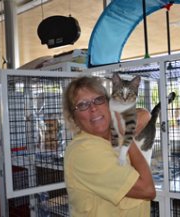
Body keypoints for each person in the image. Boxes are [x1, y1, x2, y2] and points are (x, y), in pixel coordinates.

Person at [63, 76, 156, 217]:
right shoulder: (84, 151)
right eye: (82, 105)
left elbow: (144, 115)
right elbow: (147, 190)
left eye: (99, 100)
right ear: (73, 117)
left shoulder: (113, 135)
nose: (93, 108)